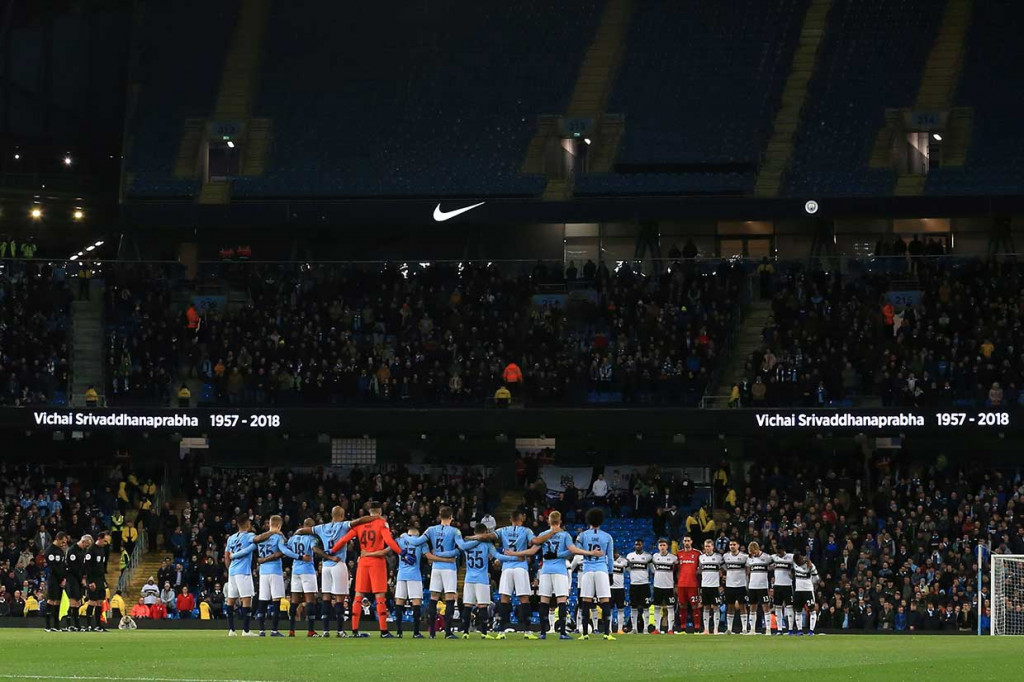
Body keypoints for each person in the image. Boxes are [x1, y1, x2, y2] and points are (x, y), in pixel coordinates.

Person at [330, 500, 403, 638]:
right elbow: (389, 541)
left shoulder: (360, 524)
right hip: (377, 563)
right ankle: (383, 631)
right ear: (380, 511)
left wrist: (333, 550)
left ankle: (355, 630)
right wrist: (401, 553)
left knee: (358, 596)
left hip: (363, 562)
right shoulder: (382, 523)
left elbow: (345, 539)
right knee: (380, 597)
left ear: (369, 511)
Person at [464, 510, 535, 639]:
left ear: (510, 519)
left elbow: (486, 537)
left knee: (504, 598)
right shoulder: (526, 531)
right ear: (522, 519)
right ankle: (528, 631)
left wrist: (472, 537)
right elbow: (534, 542)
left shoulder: (503, 530)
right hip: (520, 567)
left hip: (507, 568)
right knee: (524, 598)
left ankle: (501, 631)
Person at [526, 510, 597, 640]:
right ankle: (563, 633)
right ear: (560, 522)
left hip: (545, 570)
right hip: (560, 570)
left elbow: (533, 547)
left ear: (548, 521)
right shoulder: (565, 535)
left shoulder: (543, 534)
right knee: (561, 600)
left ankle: (543, 632)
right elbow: (572, 551)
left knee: (544, 601)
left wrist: (515, 554)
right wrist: (590, 553)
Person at [456, 525, 517, 639]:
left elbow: (461, 546)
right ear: (485, 533)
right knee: (483, 606)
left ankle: (465, 632)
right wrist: (513, 558)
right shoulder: (486, 544)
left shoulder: (466, 545)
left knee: (468, 605)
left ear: (475, 532)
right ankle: (484, 633)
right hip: (482, 579)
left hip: (469, 578)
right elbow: (497, 555)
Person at [251, 515, 303, 636]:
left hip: (263, 572)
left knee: (263, 601)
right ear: (279, 525)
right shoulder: (277, 537)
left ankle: (261, 630)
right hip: (275, 571)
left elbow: (252, 544)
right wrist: (298, 556)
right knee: (276, 601)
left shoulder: (261, 538)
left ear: (269, 524)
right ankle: (274, 630)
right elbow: (284, 551)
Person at [422, 506, 463, 639]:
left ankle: (432, 633)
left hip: (436, 567)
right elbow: (460, 547)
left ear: (440, 517)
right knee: (450, 597)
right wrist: (455, 553)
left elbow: (419, 541)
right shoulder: (455, 531)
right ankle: (448, 632)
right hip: (449, 567)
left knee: (434, 598)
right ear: (451, 517)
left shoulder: (431, 529)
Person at [575, 508, 615, 640]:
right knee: (605, 600)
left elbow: (577, 550)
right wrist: (610, 573)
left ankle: (585, 634)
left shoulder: (583, 536)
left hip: (587, 569)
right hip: (602, 569)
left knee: (586, 600)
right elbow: (610, 557)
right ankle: (607, 633)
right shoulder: (607, 536)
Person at [393, 525, 439, 638]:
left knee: (399, 601)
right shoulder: (421, 543)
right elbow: (428, 556)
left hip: (401, 575)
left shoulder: (400, 540)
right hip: (414, 575)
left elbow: (390, 548)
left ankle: (399, 632)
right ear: (417, 535)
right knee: (416, 603)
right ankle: (416, 632)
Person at [285, 519, 324, 637]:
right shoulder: (311, 539)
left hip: (295, 570)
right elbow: (314, 548)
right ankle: (310, 631)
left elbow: (285, 549)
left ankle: (291, 630)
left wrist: (298, 556)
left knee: (294, 601)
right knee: (310, 600)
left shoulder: (293, 538)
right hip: (307, 570)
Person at [222, 513, 257, 637]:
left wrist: (230, 568)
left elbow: (226, 556)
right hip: (243, 572)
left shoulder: (231, 538)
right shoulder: (250, 536)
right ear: (248, 524)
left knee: (231, 600)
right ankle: (246, 631)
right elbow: (257, 542)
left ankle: (231, 630)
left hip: (232, 572)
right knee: (246, 599)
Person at [65, 534, 93, 632]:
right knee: (73, 602)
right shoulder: (73, 550)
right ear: (84, 541)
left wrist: (84, 576)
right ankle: (69, 625)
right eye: (87, 544)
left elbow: (83, 566)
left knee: (77, 602)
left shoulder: (83, 551)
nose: (87, 547)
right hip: (72, 579)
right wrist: (81, 578)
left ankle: (77, 625)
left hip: (79, 579)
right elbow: (73, 567)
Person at [650, 538, 678, 634]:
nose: (662, 547)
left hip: (668, 586)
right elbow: (652, 569)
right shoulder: (654, 556)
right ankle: (657, 629)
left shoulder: (673, 558)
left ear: (667, 546)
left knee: (670, 607)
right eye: (660, 545)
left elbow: (677, 569)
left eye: (664, 545)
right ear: (658, 547)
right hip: (657, 585)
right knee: (657, 607)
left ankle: (670, 629)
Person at [43, 532, 69, 632]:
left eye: (65, 542)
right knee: (51, 600)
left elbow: (62, 566)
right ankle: (48, 626)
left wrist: (64, 578)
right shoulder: (50, 551)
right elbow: (53, 567)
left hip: (61, 579)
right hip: (53, 579)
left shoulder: (60, 551)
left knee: (58, 601)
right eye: (62, 541)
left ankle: (56, 625)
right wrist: (61, 578)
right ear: (57, 539)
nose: (64, 544)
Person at [675, 534, 701, 633]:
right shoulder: (678, 554)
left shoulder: (698, 553)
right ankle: (682, 628)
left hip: (693, 584)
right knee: (682, 606)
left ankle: (697, 628)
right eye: (685, 541)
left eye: (688, 541)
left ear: (691, 542)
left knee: (695, 606)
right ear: (683, 542)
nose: (686, 542)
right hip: (681, 584)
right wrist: (676, 584)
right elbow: (676, 570)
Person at [723, 540, 750, 634]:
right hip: (729, 585)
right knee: (730, 606)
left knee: (742, 606)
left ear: (738, 545)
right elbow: (724, 567)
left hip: (741, 585)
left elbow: (748, 569)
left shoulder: (744, 556)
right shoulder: (726, 556)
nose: (732, 546)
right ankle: (729, 629)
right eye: (730, 545)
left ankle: (744, 629)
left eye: (734, 544)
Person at [625, 539, 652, 635]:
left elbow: (652, 570)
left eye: (639, 544)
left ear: (642, 545)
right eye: (636, 544)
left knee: (646, 607)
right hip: (634, 584)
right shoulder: (630, 556)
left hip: (644, 584)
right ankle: (634, 628)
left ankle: (645, 629)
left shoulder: (648, 556)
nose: (637, 546)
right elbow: (627, 568)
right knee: (633, 607)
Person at [85, 531, 110, 631]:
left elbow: (102, 567)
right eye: (104, 541)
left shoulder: (102, 550)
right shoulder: (91, 550)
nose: (105, 543)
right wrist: (90, 581)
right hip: (93, 580)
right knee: (92, 602)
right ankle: (89, 625)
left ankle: (98, 625)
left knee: (100, 602)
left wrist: (104, 580)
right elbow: (87, 567)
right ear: (99, 538)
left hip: (100, 580)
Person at [699, 538, 724, 635]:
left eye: (709, 546)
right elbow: (700, 570)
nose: (707, 548)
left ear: (713, 547)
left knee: (716, 607)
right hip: (705, 586)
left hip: (714, 586)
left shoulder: (718, 557)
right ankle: (706, 630)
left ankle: (716, 629)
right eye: (706, 546)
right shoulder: (701, 558)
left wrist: (721, 582)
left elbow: (723, 569)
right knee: (706, 607)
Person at [770, 545, 795, 635]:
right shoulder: (773, 557)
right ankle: (779, 629)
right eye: (777, 552)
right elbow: (767, 566)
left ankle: (790, 629)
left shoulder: (791, 557)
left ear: (783, 550)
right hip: (777, 585)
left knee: (789, 607)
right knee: (778, 607)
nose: (778, 554)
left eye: (779, 552)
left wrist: (792, 573)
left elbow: (798, 566)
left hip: (787, 585)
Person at [792, 554, 819, 635]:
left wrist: (811, 569)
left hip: (808, 591)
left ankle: (811, 631)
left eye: (799, 561)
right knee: (798, 611)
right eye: (797, 562)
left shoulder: (810, 565)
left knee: (812, 610)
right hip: (798, 591)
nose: (798, 563)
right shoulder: (794, 564)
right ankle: (799, 630)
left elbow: (816, 578)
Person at [610, 550, 628, 634]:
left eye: (614, 553)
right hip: (609, 588)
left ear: (617, 553)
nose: (613, 555)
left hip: (620, 588)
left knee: (621, 609)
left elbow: (629, 569)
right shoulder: (607, 560)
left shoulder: (624, 561)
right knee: (609, 609)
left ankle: (620, 629)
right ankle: (609, 629)